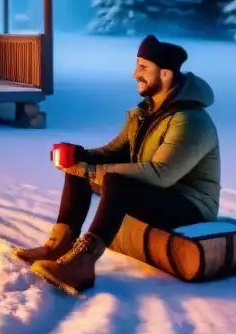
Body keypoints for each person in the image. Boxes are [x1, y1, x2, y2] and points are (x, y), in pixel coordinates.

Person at [14, 34, 221, 295]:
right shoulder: (144, 112)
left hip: (190, 205)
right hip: (157, 193)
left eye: (144, 67)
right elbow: (115, 152)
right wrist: (81, 156)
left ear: (166, 74)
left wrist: (94, 171)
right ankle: (59, 245)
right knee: (82, 167)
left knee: (115, 180)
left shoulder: (190, 120)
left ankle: (82, 264)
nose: (136, 74)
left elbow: (162, 174)